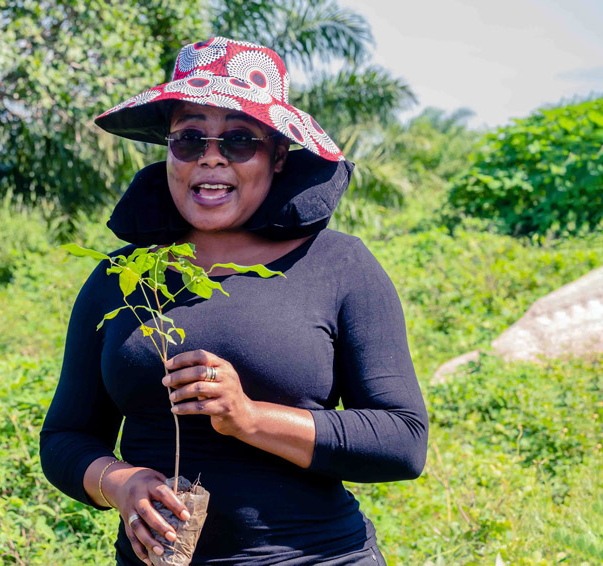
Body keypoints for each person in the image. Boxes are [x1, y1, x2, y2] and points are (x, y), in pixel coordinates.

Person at [40, 37, 427, 565]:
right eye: (190, 139)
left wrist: (249, 417)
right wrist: (121, 484)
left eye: (240, 141)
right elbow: (66, 437)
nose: (212, 157)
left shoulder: (341, 265)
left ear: (278, 155)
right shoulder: (121, 275)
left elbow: (402, 441)